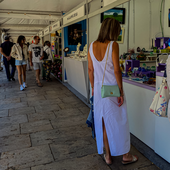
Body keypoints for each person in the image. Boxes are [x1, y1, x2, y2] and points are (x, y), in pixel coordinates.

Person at [88, 18, 138, 165]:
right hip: (112, 90)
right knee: (120, 121)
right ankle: (125, 155)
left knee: (103, 122)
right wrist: (121, 91)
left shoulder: (91, 45)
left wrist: (92, 88)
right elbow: (117, 70)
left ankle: (108, 156)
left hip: (98, 90)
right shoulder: (113, 45)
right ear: (113, 30)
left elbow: (90, 70)